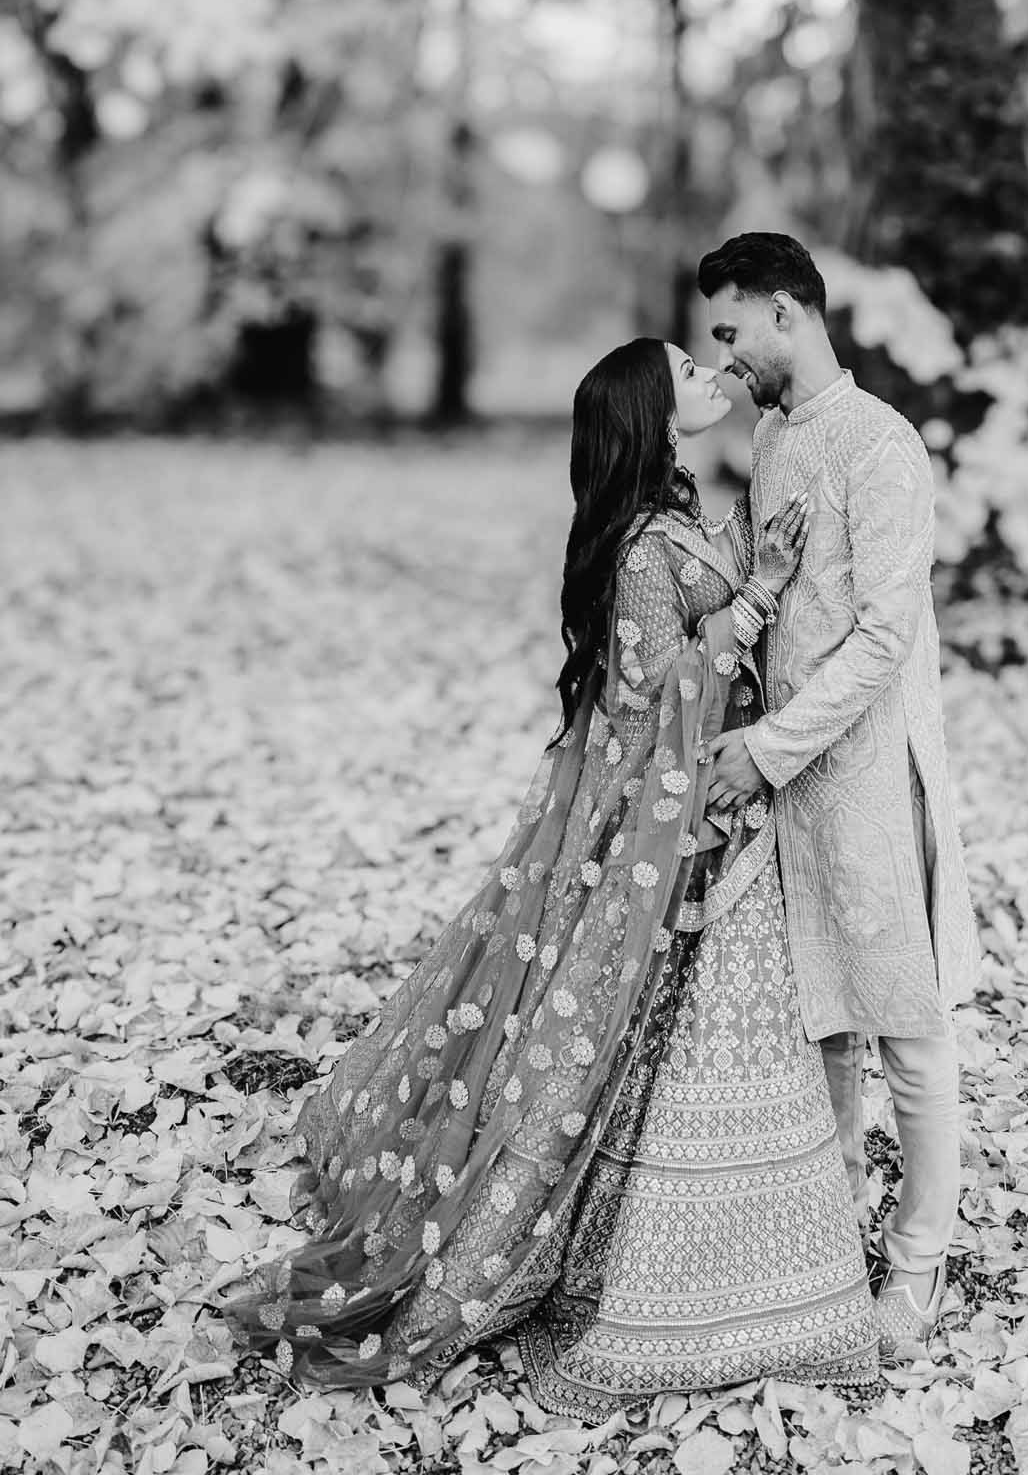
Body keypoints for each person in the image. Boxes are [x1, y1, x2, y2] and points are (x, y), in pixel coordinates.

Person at [219, 336, 879, 1410]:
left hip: (729, 796)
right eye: (692, 376)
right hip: (675, 812)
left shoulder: (676, 511)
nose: (713, 380)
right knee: (592, 1035)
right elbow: (645, 694)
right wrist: (755, 595)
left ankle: (719, 1248)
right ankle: (591, 1238)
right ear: (655, 418)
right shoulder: (633, 549)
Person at [698, 233, 983, 1362]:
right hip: (789, 780)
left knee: (907, 1030)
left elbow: (881, 635)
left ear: (784, 310)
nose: (725, 360)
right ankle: (827, 1233)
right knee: (816, 1014)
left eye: (731, 331)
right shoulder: (772, 438)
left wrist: (770, 745)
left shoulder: (882, 443)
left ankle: (918, 1269)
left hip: (866, 771)